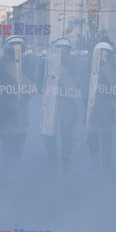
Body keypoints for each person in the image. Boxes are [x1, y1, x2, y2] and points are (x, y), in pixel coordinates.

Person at [40, 38, 84, 170]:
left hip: (67, 103)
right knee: (56, 133)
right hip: (55, 103)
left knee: (63, 133)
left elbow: (80, 82)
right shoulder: (49, 63)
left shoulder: (72, 64)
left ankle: (61, 160)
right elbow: (40, 80)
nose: (63, 52)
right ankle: (60, 161)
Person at [0, 35, 37, 166]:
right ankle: (13, 166)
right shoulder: (25, 62)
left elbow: (32, 86)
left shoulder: (1, 62)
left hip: (10, 109)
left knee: (9, 140)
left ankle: (10, 166)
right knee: (16, 141)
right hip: (15, 109)